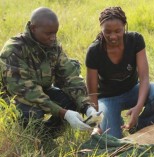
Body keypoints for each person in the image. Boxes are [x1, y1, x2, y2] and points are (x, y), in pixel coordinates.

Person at [0, 7, 100, 140]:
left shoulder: (53, 46)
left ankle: (46, 138)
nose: (53, 38)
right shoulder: (14, 50)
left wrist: (87, 106)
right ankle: (30, 140)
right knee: (32, 113)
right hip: (11, 96)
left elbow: (70, 76)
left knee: (71, 101)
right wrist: (63, 113)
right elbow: (25, 91)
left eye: (55, 33)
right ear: (33, 28)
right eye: (48, 34)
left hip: (42, 90)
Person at [85, 6, 154, 138]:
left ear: (124, 27)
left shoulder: (135, 40)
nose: (113, 36)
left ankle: (143, 127)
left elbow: (144, 77)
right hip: (107, 99)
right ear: (101, 29)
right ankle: (114, 121)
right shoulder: (94, 51)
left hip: (132, 91)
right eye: (107, 32)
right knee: (112, 140)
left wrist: (138, 107)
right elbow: (92, 92)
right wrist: (97, 124)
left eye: (118, 31)